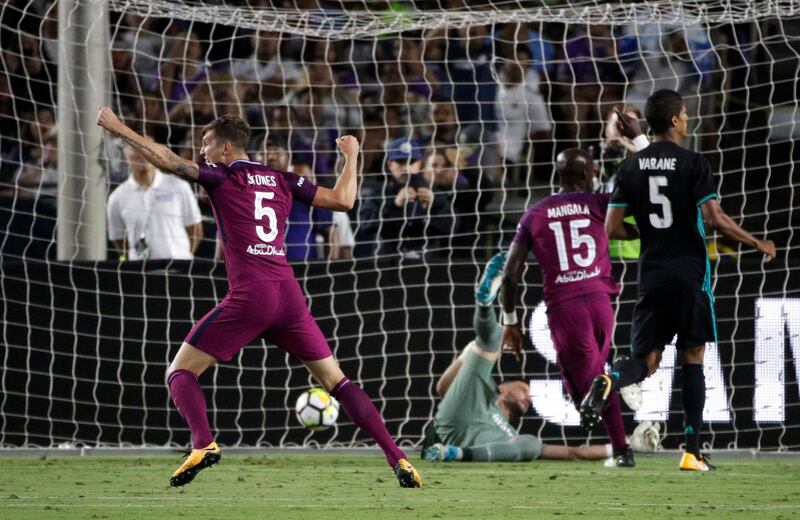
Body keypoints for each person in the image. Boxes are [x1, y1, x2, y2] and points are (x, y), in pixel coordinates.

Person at [96, 107, 424, 488]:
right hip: (288, 296)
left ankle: (203, 443)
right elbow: (343, 200)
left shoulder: (221, 178)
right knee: (337, 381)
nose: (201, 152)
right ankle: (398, 457)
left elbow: (170, 162)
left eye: (206, 144)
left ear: (226, 149)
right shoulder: (285, 180)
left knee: (179, 372)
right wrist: (351, 156)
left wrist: (120, 128)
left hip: (252, 296)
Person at [580, 89, 777, 471]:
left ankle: (610, 379)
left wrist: (647, 235)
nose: (688, 120)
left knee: (646, 361)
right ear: (674, 120)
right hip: (689, 274)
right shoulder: (694, 163)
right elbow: (715, 218)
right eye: (685, 114)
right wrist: (757, 241)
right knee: (692, 357)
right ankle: (692, 451)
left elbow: (612, 228)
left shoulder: (630, 168)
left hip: (652, 276)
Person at [423, 253, 659, 464]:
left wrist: (628, 443)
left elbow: (573, 453)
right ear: (504, 387)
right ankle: (485, 304)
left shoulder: (509, 435)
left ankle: (454, 453)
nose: (529, 396)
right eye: (524, 389)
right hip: (457, 415)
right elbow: (442, 388)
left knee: (531, 445)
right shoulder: (482, 387)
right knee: (491, 342)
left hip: (471, 443)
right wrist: (468, 354)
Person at [501, 147, 641, 468]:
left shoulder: (535, 214)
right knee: (599, 381)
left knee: (585, 398)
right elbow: (642, 211)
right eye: (593, 169)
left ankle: (620, 398)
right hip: (601, 302)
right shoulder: (600, 204)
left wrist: (511, 321)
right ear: (585, 174)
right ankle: (621, 446)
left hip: (567, 309)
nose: (596, 173)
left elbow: (510, 275)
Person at [107, 145, 203, 261]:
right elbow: (119, 240)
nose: (142, 154)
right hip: (141, 271)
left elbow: (195, 229)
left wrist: (182, 256)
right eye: (135, 149)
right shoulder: (116, 197)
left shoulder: (179, 187)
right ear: (125, 155)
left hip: (178, 268)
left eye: (147, 148)